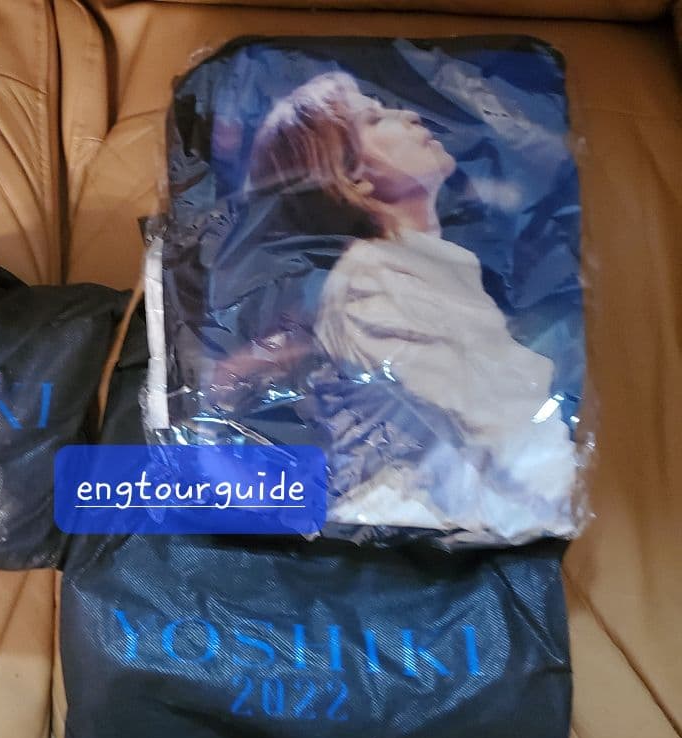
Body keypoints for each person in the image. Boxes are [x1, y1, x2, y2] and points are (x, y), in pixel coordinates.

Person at [245, 71, 577, 542]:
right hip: (413, 541)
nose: (409, 114)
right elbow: (500, 426)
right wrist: (590, 509)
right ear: (353, 177)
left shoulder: (409, 267)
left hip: (462, 522)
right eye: (374, 118)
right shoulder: (374, 283)